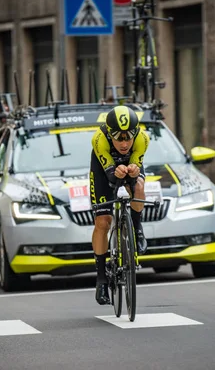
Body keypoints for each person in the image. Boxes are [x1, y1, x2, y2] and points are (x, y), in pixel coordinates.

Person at [89, 105, 150, 305]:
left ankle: (137, 229)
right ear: (110, 134)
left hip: (128, 166)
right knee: (103, 222)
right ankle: (101, 280)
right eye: (119, 138)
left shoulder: (143, 139)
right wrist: (115, 172)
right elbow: (109, 175)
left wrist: (133, 170)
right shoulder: (99, 139)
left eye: (128, 138)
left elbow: (136, 169)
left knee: (139, 185)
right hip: (103, 169)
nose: (124, 144)